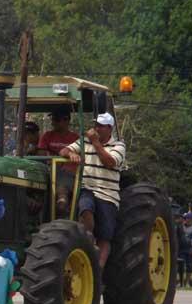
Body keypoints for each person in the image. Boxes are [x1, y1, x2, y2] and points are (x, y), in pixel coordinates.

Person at [60, 112, 126, 268]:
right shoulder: (85, 141)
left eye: (101, 126)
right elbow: (63, 151)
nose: (97, 128)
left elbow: (110, 162)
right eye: (96, 125)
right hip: (87, 187)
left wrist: (96, 143)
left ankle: (98, 269)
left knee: (104, 236)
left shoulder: (118, 146)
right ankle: (87, 241)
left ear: (109, 128)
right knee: (85, 209)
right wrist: (71, 153)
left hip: (108, 194)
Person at [38, 106, 80, 216]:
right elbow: (42, 155)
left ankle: (62, 201)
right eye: (52, 119)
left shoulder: (76, 138)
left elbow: (79, 157)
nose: (53, 123)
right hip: (49, 171)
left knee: (62, 174)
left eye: (56, 120)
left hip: (69, 174)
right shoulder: (47, 136)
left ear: (67, 120)